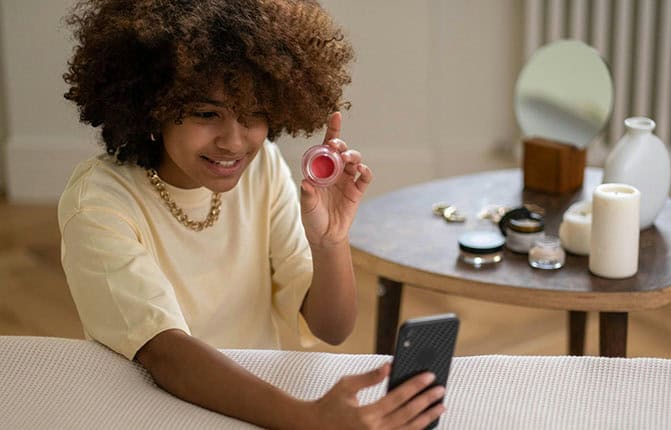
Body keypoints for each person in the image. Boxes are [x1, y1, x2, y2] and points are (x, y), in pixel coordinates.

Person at [58, 0, 446, 428]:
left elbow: (332, 328)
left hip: (258, 401)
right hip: (152, 409)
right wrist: (308, 419)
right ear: (154, 106)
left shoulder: (264, 168)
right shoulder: (98, 202)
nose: (234, 142)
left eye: (254, 115)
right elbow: (164, 352)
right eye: (207, 114)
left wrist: (330, 242)